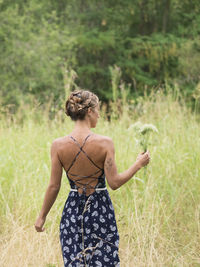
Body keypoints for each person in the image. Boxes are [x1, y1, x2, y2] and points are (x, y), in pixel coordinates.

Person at [35, 90, 150, 267]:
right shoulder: (105, 143)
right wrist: (138, 164)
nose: (99, 115)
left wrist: (42, 216)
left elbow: (53, 186)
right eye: (97, 110)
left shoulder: (58, 145)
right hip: (101, 210)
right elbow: (114, 183)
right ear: (89, 111)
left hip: (73, 212)